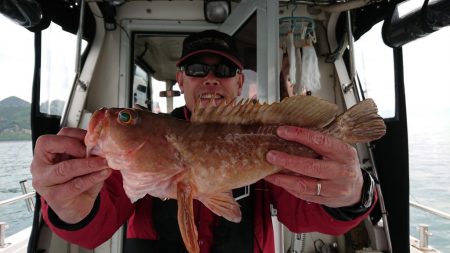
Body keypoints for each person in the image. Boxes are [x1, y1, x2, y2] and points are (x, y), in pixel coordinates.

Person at [31, 30, 376, 253]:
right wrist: (69, 208)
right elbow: (96, 222)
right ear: (181, 79)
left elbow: (305, 214)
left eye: (223, 71)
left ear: (240, 83)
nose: (210, 79)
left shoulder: (268, 133)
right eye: (197, 69)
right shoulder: (135, 159)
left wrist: (354, 197)